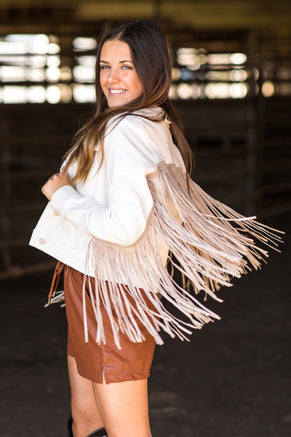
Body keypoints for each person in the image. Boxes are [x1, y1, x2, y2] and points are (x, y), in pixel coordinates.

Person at [29, 20, 282, 437]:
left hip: (111, 291)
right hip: (93, 284)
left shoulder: (127, 130)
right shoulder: (147, 122)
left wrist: (62, 196)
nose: (111, 78)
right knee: (87, 417)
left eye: (126, 66)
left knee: (126, 429)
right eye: (105, 66)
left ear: (153, 70)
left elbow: (125, 227)